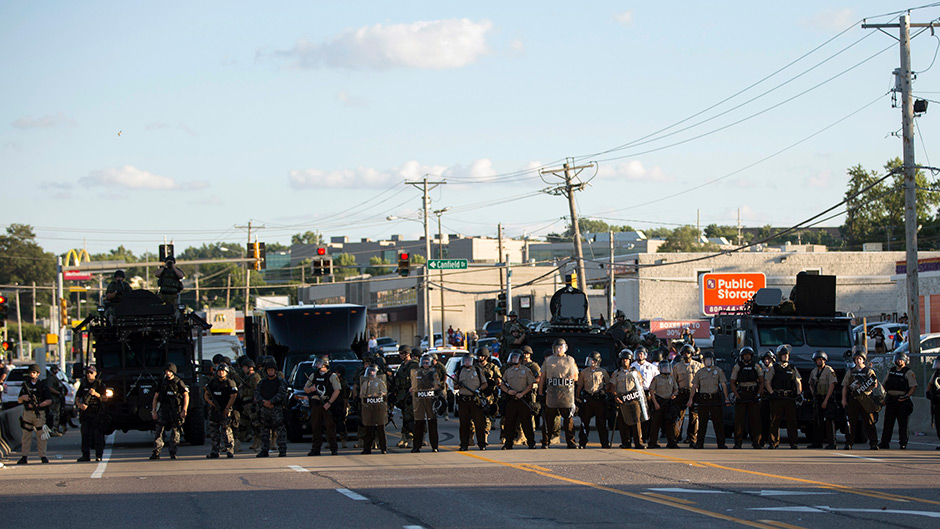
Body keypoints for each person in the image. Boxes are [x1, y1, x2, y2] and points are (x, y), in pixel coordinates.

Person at [539, 338, 579, 449]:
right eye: (556, 348)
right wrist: (540, 392)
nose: (558, 350)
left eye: (560, 347)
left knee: (568, 419)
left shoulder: (570, 360)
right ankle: (546, 442)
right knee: (548, 419)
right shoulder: (548, 360)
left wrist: (570, 379)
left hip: (566, 393)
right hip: (551, 392)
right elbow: (542, 376)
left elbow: (576, 376)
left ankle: (571, 441)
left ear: (565, 348)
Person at [688, 351, 730, 449]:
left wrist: (726, 398)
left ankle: (721, 443)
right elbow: (694, 386)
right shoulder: (700, 372)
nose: (708, 362)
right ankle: (699, 443)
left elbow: (723, 385)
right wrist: (690, 399)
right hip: (703, 400)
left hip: (715, 399)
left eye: (709, 360)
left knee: (718, 422)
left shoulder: (718, 371)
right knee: (702, 423)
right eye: (706, 360)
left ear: (712, 360)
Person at [841, 350, 880, 450]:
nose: (858, 360)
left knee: (869, 422)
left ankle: (873, 443)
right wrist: (844, 400)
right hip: (854, 399)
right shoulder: (851, 372)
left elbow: (875, 384)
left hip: (866, 399)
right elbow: (845, 386)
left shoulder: (869, 371)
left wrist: (865, 387)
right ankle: (849, 442)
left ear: (863, 360)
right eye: (856, 359)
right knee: (851, 422)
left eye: (860, 359)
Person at [764, 345, 801, 449]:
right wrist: (772, 393)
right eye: (784, 355)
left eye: (787, 355)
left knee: (792, 421)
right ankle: (774, 442)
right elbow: (768, 382)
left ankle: (793, 442)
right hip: (777, 397)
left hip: (789, 397)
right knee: (775, 420)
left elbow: (798, 381)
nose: (786, 357)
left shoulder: (792, 368)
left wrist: (798, 393)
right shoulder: (774, 368)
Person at [150, 363, 189, 460]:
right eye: (166, 371)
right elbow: (155, 397)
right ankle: (156, 452)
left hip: (175, 410)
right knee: (158, 432)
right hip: (163, 409)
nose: (167, 373)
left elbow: (186, 395)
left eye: (170, 371)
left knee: (175, 432)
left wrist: (184, 409)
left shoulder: (178, 382)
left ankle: (173, 451)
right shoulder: (161, 382)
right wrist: (154, 411)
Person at [303, 355, 341, 456]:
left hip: (327, 403)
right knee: (316, 427)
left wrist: (329, 403)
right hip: (316, 404)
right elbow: (305, 389)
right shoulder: (314, 375)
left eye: (319, 363)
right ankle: (315, 449)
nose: (317, 365)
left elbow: (337, 390)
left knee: (330, 427)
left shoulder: (332, 376)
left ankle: (333, 448)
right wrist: (311, 389)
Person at [879, 352, 917, 449]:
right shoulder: (891, 371)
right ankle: (884, 442)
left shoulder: (908, 372)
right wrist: (883, 396)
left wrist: (907, 396)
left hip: (902, 400)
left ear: (904, 361)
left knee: (903, 424)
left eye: (901, 359)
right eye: (897, 359)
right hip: (891, 400)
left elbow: (913, 386)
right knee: (888, 423)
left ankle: (903, 443)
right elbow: (884, 384)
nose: (898, 361)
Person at [609, 349, 646, 449]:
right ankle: (626, 442)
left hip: (633, 399)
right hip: (622, 399)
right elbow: (612, 386)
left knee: (636, 422)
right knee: (623, 422)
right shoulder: (616, 373)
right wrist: (616, 396)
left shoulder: (635, 372)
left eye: (627, 359)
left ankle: (639, 442)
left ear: (630, 360)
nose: (625, 361)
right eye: (623, 359)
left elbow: (640, 385)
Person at [500, 351, 536, 450]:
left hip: (523, 399)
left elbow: (530, 384)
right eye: (513, 358)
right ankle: (508, 443)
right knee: (509, 423)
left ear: (520, 359)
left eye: (516, 358)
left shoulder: (526, 370)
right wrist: (508, 391)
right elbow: (502, 384)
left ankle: (531, 442)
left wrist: (522, 393)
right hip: (511, 399)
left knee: (526, 422)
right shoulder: (508, 371)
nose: (514, 359)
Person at [17, 364, 52, 464]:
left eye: (34, 373)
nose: (32, 375)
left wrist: (39, 405)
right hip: (27, 413)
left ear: (38, 374)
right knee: (26, 435)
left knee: (41, 435)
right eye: (30, 373)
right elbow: (19, 400)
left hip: (39, 413)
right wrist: (23, 398)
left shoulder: (42, 386)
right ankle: (24, 456)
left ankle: (43, 456)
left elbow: (49, 400)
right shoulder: (26, 385)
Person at [730, 347, 763, 449]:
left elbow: (762, 382)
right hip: (742, 393)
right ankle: (738, 442)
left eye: (749, 355)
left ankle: (756, 441)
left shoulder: (756, 366)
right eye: (745, 355)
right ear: (742, 356)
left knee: (755, 420)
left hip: (753, 393)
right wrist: (737, 396)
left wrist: (758, 395)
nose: (747, 356)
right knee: (739, 420)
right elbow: (732, 382)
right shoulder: (737, 366)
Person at [255, 358, 288, 457]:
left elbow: (282, 393)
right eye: (269, 370)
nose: (270, 372)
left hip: (276, 408)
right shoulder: (262, 382)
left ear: (275, 371)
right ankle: (264, 450)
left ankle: (282, 450)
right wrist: (263, 402)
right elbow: (257, 393)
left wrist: (271, 401)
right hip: (265, 409)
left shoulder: (280, 381)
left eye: (272, 370)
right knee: (264, 431)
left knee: (280, 430)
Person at [454, 354, 488, 451]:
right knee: (464, 424)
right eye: (465, 360)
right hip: (463, 400)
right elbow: (455, 386)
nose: (467, 362)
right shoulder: (460, 371)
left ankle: (482, 444)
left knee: (479, 423)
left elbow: (485, 384)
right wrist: (458, 385)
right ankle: (464, 444)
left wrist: (479, 390)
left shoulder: (477, 370)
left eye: (469, 360)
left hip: (475, 400)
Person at [576, 351, 610, 448]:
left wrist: (604, 391)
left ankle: (604, 443)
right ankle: (582, 442)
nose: (592, 362)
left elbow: (608, 384)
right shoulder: (583, 372)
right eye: (590, 360)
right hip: (588, 398)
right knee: (584, 422)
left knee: (601, 422)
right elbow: (579, 387)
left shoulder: (602, 371)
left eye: (594, 360)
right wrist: (578, 399)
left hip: (599, 399)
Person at [204, 363, 237, 458]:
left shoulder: (229, 383)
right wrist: (211, 402)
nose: (221, 373)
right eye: (219, 371)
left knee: (226, 431)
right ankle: (215, 451)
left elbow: (233, 396)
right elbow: (206, 394)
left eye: (223, 371)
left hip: (225, 410)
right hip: (214, 410)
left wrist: (227, 408)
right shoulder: (212, 383)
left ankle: (230, 450)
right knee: (214, 432)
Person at [75, 365, 107, 462]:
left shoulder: (100, 385)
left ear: (95, 373)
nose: (89, 375)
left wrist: (96, 394)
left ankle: (99, 455)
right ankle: (85, 455)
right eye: (87, 373)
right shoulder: (83, 384)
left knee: (98, 435)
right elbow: (77, 398)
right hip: (86, 413)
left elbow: (105, 398)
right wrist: (80, 405)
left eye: (91, 373)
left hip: (97, 412)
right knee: (85, 435)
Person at [672, 344, 702, 447]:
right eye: (684, 353)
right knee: (679, 416)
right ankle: (675, 438)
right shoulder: (677, 366)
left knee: (694, 417)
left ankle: (692, 439)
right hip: (681, 393)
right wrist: (675, 391)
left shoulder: (698, 366)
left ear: (692, 354)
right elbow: (674, 380)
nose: (686, 354)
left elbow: (701, 380)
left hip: (694, 393)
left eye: (688, 353)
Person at [411, 354, 441, 452]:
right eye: (423, 362)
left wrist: (433, 388)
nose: (425, 364)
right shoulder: (417, 373)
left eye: (427, 362)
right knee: (419, 423)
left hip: (430, 400)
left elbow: (438, 385)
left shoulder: (433, 373)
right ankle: (416, 446)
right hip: (419, 400)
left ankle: (434, 446)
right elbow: (414, 384)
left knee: (432, 423)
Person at [807, 351, 837, 449]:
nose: (819, 361)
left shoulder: (829, 370)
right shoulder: (814, 371)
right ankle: (817, 442)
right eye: (817, 360)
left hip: (827, 398)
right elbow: (810, 383)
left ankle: (832, 442)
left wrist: (826, 400)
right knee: (817, 421)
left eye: (820, 360)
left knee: (829, 421)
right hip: (817, 398)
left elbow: (832, 385)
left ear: (824, 360)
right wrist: (813, 394)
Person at [648, 360, 679, 449]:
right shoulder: (656, 378)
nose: (665, 369)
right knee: (655, 424)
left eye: (667, 367)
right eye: (664, 367)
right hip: (659, 401)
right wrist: (655, 403)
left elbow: (676, 389)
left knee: (669, 423)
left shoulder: (672, 378)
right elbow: (652, 391)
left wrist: (674, 394)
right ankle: (652, 443)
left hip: (668, 402)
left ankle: (671, 442)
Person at [359, 365, 388, 454]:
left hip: (378, 406)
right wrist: (366, 397)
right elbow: (362, 394)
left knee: (380, 428)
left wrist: (377, 394)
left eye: (373, 371)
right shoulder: (365, 383)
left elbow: (384, 392)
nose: (371, 373)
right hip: (368, 407)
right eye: (370, 371)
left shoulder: (379, 382)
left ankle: (383, 448)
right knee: (368, 429)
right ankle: (367, 448)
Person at [393, 346, 418, 448]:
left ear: (407, 354)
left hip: (410, 394)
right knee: (405, 417)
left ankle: (411, 439)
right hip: (402, 395)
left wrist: (413, 389)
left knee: (410, 417)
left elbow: (416, 378)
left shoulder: (414, 365)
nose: (400, 355)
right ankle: (404, 438)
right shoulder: (402, 366)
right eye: (400, 353)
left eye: (402, 353)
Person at [475, 348, 501, 437]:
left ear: (486, 357)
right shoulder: (474, 367)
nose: (480, 358)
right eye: (478, 356)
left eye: (482, 356)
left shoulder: (492, 367)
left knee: (487, 413)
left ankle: (485, 435)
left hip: (489, 393)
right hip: (476, 392)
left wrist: (493, 382)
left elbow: (499, 380)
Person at [238, 359, 262, 451]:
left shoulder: (255, 377)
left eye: (244, 367)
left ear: (249, 368)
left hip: (252, 404)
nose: (243, 369)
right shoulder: (246, 377)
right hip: (245, 404)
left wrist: (255, 403)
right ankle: (238, 442)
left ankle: (258, 442)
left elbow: (257, 391)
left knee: (255, 424)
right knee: (243, 424)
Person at [758, 350, 775, 447]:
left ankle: (772, 441)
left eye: (769, 359)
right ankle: (761, 440)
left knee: (773, 420)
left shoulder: (776, 369)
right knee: (762, 420)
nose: (767, 361)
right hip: (763, 397)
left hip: (773, 397)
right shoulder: (760, 370)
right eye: (765, 359)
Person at [46, 364, 68, 436]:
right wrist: (58, 393)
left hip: (57, 399)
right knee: (54, 415)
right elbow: (50, 388)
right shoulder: (51, 378)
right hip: (54, 399)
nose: (57, 371)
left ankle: (55, 429)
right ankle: (53, 430)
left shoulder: (55, 377)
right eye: (56, 369)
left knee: (57, 415)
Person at [926, 357, 940, 450]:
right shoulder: (936, 374)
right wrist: (928, 392)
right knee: (938, 423)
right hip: (937, 402)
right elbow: (930, 383)